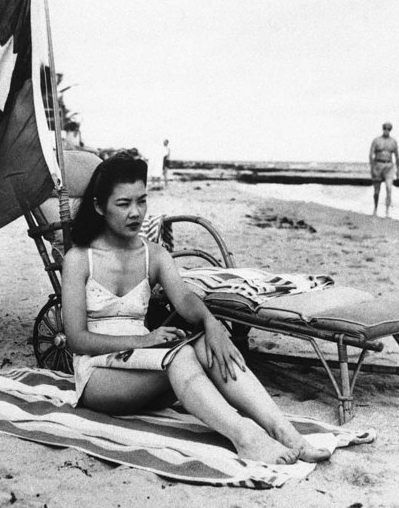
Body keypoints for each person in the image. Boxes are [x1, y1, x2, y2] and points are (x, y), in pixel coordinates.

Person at [61, 153, 331, 465]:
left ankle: (285, 433)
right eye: (123, 204)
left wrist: (212, 324)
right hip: (100, 377)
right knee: (181, 354)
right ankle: (245, 437)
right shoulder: (80, 259)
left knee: (207, 344)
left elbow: (186, 300)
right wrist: (142, 341)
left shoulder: (154, 255)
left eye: (142, 201)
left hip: (150, 366)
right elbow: (76, 340)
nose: (136, 213)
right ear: (99, 206)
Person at [369, 122, 399, 217]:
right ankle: (375, 209)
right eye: (385, 128)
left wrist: (398, 171)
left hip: (389, 166)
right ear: (383, 129)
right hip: (378, 165)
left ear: (390, 130)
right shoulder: (376, 140)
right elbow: (371, 155)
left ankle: (387, 211)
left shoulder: (393, 142)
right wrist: (372, 168)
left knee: (389, 188)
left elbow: (397, 157)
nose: (387, 130)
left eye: (389, 128)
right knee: (376, 191)